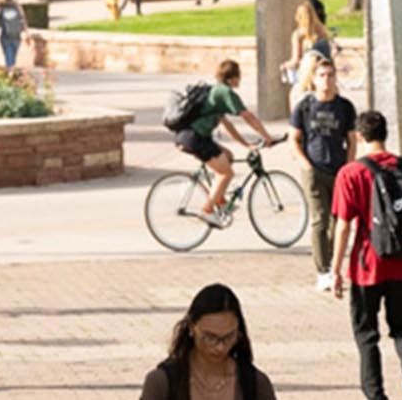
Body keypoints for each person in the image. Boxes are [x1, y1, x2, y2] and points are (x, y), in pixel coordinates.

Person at [330, 110, 402, 400]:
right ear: (386, 133)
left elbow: (343, 226)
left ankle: (375, 394)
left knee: (366, 334)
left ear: (359, 136)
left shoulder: (351, 173)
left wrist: (334, 269)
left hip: (367, 265)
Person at [177, 59, 282, 226]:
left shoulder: (217, 91)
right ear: (231, 78)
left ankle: (219, 199)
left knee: (228, 156)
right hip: (195, 138)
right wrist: (267, 137)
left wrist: (246, 145)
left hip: (193, 137)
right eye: (239, 76)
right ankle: (207, 210)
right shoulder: (225, 92)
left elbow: (229, 126)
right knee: (226, 174)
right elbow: (248, 117)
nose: (240, 79)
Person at [138, 282, 277, 400]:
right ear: (192, 328)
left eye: (228, 337)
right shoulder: (162, 382)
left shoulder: (255, 384)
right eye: (210, 337)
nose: (220, 347)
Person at [291, 58, 358, 292]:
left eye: (330, 75)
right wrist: (306, 164)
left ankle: (333, 266)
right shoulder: (304, 107)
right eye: (322, 75)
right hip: (314, 170)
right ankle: (323, 271)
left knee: (338, 222)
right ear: (314, 79)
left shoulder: (345, 107)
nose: (326, 80)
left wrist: (349, 166)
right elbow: (294, 139)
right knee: (320, 220)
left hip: (339, 170)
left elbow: (351, 140)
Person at [286, 2, 335, 91]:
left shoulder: (298, 34)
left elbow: (295, 60)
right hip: (324, 73)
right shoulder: (322, 31)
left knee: (295, 93)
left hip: (307, 76)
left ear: (298, 17)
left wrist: (285, 65)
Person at [0, 0, 25, 69]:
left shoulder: (0, 7)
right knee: (13, 57)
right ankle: (11, 70)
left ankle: (10, 71)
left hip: (6, 35)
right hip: (17, 35)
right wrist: (26, 32)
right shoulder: (17, 6)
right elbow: (22, 19)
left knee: (9, 57)